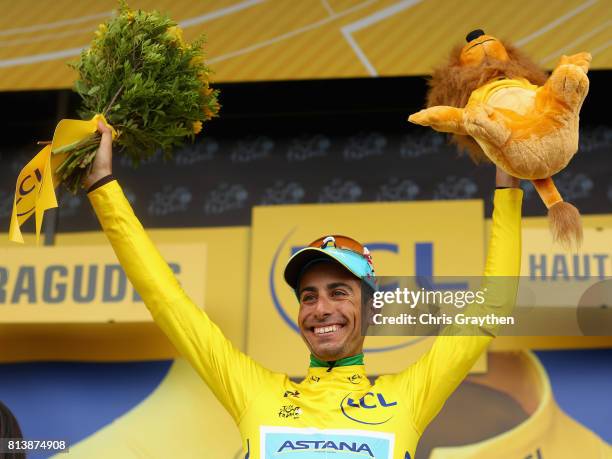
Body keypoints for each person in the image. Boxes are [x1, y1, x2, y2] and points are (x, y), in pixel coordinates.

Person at [84, 121, 522, 458]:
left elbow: (494, 305)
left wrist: (508, 186)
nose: (321, 308)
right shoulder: (259, 393)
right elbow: (168, 302)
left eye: (339, 291)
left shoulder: (405, 397)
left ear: (370, 310)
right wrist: (103, 187)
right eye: (308, 296)